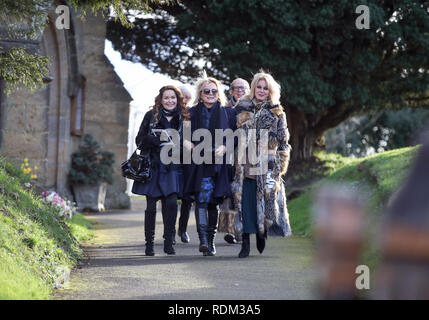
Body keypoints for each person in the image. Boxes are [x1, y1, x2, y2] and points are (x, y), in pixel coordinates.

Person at [231, 71, 292, 258]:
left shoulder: (277, 112)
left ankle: (261, 233)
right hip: (245, 162)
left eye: (266, 88)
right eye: (259, 86)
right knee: (245, 202)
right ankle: (245, 243)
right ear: (253, 87)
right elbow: (232, 134)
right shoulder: (241, 108)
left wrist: (280, 165)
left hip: (268, 164)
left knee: (265, 203)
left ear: (270, 91)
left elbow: (284, 141)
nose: (262, 90)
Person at [132, 85, 190, 256]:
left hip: (173, 167)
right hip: (154, 166)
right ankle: (149, 244)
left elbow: (189, 143)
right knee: (151, 206)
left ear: (178, 99)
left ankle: (168, 241)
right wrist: (153, 139)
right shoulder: (151, 116)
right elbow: (139, 141)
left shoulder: (184, 117)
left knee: (171, 203)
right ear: (161, 99)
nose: (170, 101)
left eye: (173, 97)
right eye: (166, 98)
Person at [183, 73, 236, 256]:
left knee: (213, 203)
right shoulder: (191, 112)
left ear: (218, 93)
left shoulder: (227, 112)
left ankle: (211, 242)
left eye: (214, 91)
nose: (211, 93)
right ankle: (203, 240)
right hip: (198, 164)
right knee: (201, 201)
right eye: (207, 91)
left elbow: (235, 137)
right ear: (201, 93)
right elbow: (181, 134)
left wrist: (225, 147)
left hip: (218, 165)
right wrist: (187, 143)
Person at [218, 78, 250, 244]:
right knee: (227, 194)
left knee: (241, 194)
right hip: (228, 155)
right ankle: (229, 229)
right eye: (236, 88)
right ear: (231, 91)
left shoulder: (252, 107)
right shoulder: (225, 109)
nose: (240, 91)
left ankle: (239, 230)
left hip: (247, 158)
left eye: (243, 88)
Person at [175, 85, 194, 243]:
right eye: (183, 97)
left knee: (187, 199)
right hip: (173, 160)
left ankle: (182, 229)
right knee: (170, 197)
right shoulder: (169, 113)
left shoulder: (192, 115)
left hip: (188, 161)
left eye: (188, 98)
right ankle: (169, 229)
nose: (185, 100)